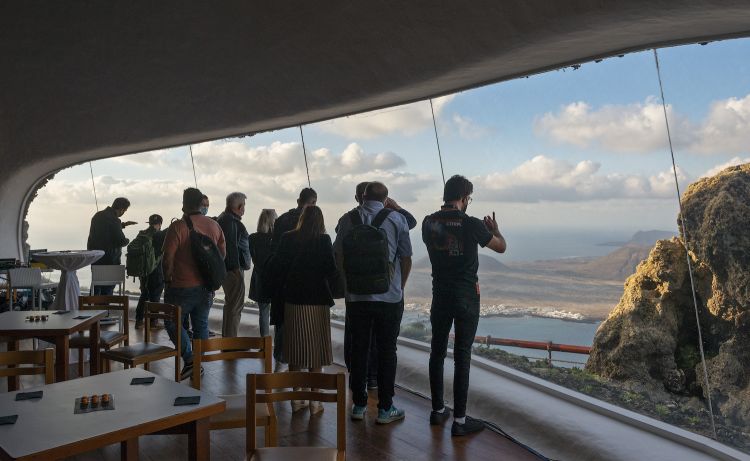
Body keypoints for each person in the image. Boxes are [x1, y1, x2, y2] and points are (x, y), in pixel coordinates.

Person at [422, 175, 506, 436]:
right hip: (467, 296)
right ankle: (459, 421)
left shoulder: (428, 222)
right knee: (462, 356)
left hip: (440, 295)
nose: (469, 201)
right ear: (464, 197)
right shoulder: (471, 224)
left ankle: (437, 411)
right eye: (469, 197)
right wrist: (494, 229)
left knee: (437, 350)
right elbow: (501, 247)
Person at [333, 181, 412, 424]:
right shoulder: (396, 219)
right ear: (386, 198)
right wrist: (399, 285)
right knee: (388, 351)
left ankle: (358, 405)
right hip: (388, 297)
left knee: (359, 348)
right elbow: (406, 257)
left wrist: (348, 284)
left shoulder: (347, 219)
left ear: (362, 197)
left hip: (357, 297)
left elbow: (337, 254)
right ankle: (386, 408)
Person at [272, 205, 337, 415]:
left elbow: (278, 267)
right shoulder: (323, 240)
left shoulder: (287, 238)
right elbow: (331, 269)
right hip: (317, 300)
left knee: (295, 349)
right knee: (316, 352)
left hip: (292, 299)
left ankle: (297, 396)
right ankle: (315, 400)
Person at [162, 187, 226, 380]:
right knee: (201, 324)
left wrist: (167, 279)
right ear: (201, 204)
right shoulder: (214, 226)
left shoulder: (178, 227)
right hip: (206, 287)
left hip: (181, 286)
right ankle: (198, 363)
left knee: (171, 322)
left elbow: (167, 258)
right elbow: (221, 256)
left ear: (184, 204)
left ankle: (190, 360)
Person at [269, 187, 317, 372]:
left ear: (298, 200)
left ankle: (280, 361)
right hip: (305, 281)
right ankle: (302, 361)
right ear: (313, 202)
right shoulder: (312, 221)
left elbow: (274, 250)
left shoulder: (282, 220)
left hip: (283, 280)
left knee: (283, 321)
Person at [217, 192, 251, 338]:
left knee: (230, 305)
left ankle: (228, 340)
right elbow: (231, 247)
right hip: (233, 271)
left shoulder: (223, 218)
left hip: (226, 269)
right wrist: (236, 269)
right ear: (238, 206)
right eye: (243, 205)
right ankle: (231, 342)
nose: (244, 209)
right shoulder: (231, 222)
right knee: (235, 307)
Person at [87, 197, 137, 295]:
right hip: (110, 260)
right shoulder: (114, 220)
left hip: (95, 258)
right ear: (122, 209)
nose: (124, 213)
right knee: (107, 290)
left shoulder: (98, 215)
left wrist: (122, 225)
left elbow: (105, 229)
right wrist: (128, 240)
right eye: (125, 211)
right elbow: (121, 241)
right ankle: (104, 309)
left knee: (95, 287)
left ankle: (91, 308)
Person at [134, 214, 166, 329]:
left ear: (149, 223)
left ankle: (139, 320)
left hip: (143, 270)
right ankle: (153, 322)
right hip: (156, 270)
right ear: (160, 224)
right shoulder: (160, 235)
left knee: (144, 294)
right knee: (155, 296)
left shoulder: (142, 233)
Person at [249, 209, 277, 338]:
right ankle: (279, 346)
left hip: (260, 277)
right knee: (278, 313)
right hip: (275, 278)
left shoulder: (253, 238)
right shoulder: (277, 238)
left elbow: (253, 258)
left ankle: (264, 343)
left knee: (263, 312)